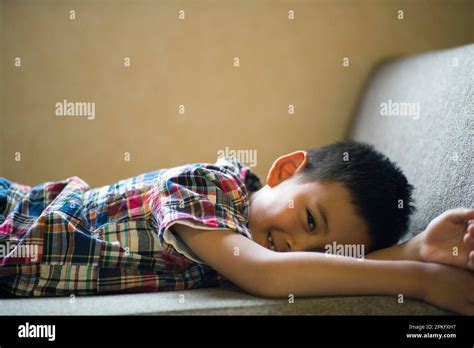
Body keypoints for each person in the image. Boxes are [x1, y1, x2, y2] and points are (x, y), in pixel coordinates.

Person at [1, 141, 473, 314]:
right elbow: (269, 273)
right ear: (286, 171)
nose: (299, 247)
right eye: (310, 219)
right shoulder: (208, 187)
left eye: (320, 248)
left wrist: (416, 249)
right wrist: (420, 280)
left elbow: (320, 265)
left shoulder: (253, 242)